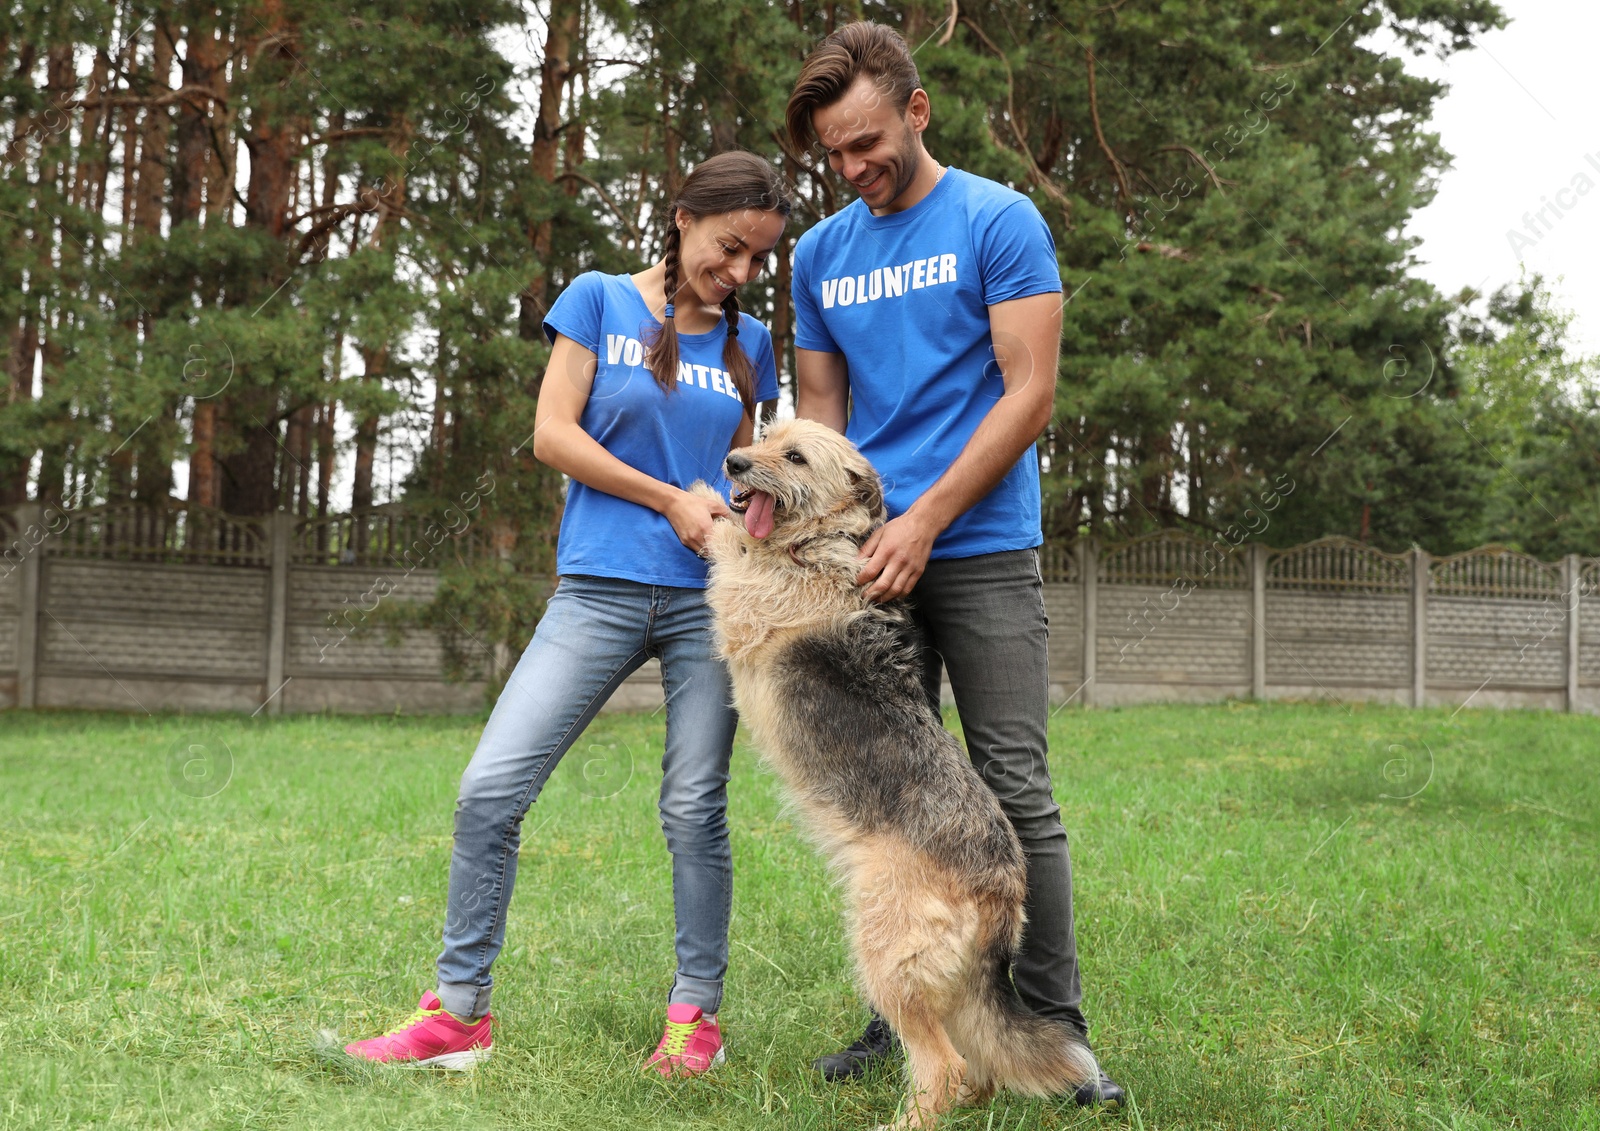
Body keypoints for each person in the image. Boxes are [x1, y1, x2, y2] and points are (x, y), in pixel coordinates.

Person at [344, 150, 789, 1077]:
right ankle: (459, 1014)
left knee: (693, 806)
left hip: (709, 605)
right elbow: (554, 433)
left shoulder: (751, 350)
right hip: (599, 587)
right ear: (682, 218)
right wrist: (670, 496)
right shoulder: (597, 298)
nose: (740, 272)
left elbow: (753, 478)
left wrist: (743, 521)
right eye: (730, 247)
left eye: (757, 260)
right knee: (491, 789)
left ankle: (693, 1018)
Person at [784, 22, 1124, 1106]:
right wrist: (825, 548)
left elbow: (1029, 394)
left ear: (917, 109)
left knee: (1011, 783)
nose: (852, 168)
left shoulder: (998, 219)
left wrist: (924, 518)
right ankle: (909, 1020)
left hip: (972, 542)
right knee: (890, 803)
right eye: (835, 153)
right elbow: (823, 425)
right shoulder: (819, 254)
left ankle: (1056, 1032)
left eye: (867, 141)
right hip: (863, 565)